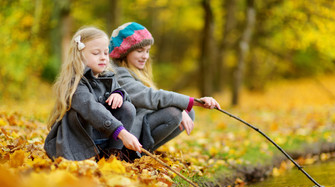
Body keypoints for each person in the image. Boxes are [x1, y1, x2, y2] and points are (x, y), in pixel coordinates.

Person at [109, 22, 221, 156]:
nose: (145, 56)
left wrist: (183, 107)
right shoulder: (119, 73)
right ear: (124, 52)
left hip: (141, 124)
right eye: (140, 51)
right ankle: (130, 153)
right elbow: (149, 97)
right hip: (129, 132)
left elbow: (151, 99)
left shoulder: (137, 72)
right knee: (174, 113)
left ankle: (144, 152)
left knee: (188, 112)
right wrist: (194, 102)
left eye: (147, 51)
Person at [44, 26, 142, 161]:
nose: (103, 58)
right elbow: (92, 110)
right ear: (79, 56)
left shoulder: (107, 77)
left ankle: (112, 154)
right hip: (79, 143)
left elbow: (122, 93)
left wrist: (118, 93)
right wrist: (121, 132)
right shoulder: (75, 83)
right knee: (93, 112)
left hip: (102, 139)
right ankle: (93, 155)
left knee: (127, 107)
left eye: (106, 53)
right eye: (96, 53)